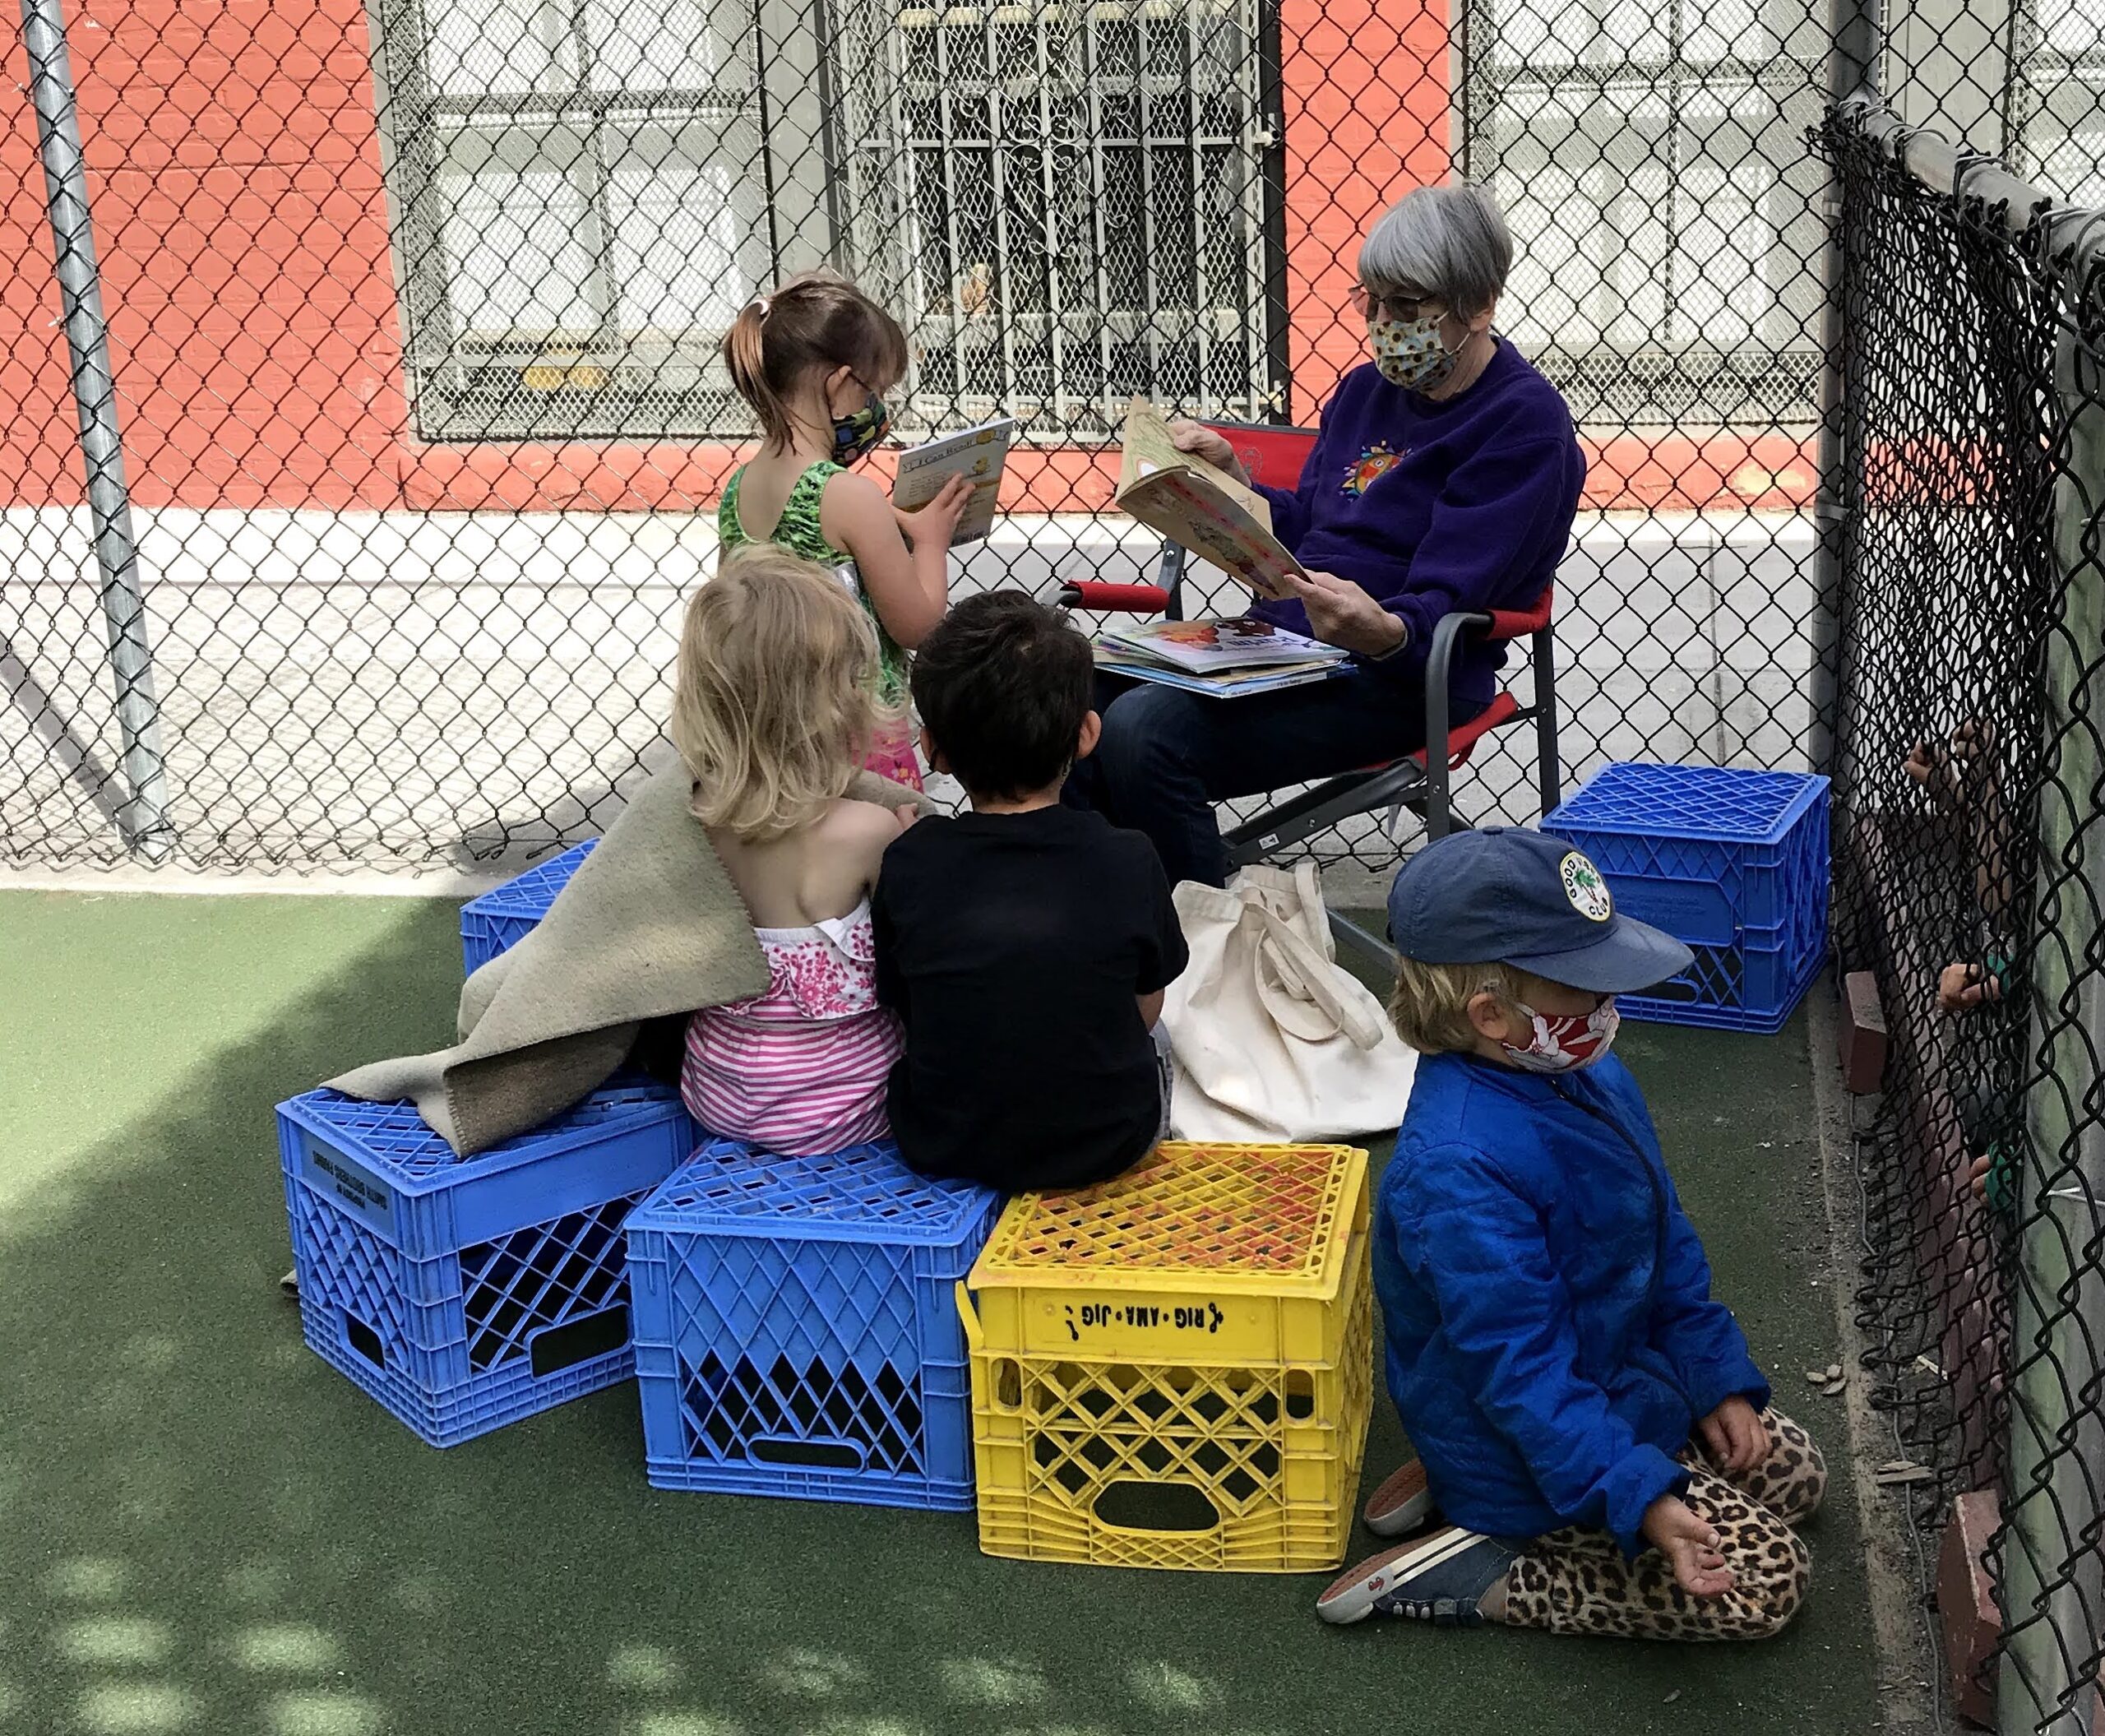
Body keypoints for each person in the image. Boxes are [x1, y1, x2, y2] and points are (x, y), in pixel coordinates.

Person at [1318, 827, 1824, 1641]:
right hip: (1528, 1442)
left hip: (1612, 1379)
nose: (1608, 1008)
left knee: (1795, 1475)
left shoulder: (1574, 1068)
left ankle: (1482, 1484)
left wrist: (1712, 1374)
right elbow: (1522, 1371)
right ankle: (1487, 1569)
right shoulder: (1457, 1168)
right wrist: (1635, 1488)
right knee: (1767, 1580)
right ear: (1494, 1015)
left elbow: (1662, 1232)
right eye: (1587, 989)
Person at [1064, 182, 1585, 887]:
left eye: (1406, 306)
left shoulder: (1523, 424)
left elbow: (1446, 605)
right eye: (1369, 299)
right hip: (1286, 648)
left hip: (1402, 676)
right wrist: (1231, 487)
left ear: (1480, 306)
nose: (1380, 322)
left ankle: (1198, 955)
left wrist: (1381, 629)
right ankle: (1096, 935)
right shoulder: (1364, 391)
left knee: (1144, 732)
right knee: (1065, 698)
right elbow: (1315, 524)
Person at [872, 591, 1187, 1190]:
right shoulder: (1129, 857)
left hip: (943, 1144)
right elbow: (1148, 1006)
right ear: (1088, 732)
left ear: (933, 748)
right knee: (1160, 1035)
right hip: (1109, 1145)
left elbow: (906, 1002)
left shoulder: (909, 860)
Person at [671, 545, 916, 1155]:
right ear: (832, 706)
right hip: (847, 1103)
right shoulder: (868, 830)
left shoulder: (696, 819)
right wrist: (916, 852)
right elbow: (916, 946)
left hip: (716, 1090)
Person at [720, 270, 973, 789]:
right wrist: (929, 542)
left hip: (778, 738)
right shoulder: (849, 495)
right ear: (838, 385)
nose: (876, 409)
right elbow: (919, 626)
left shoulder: (738, 489)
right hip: (859, 740)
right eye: (874, 391)